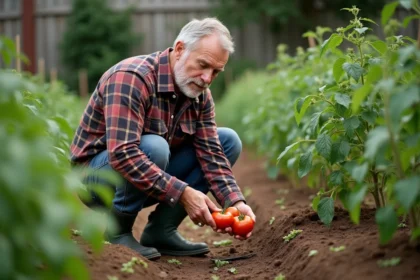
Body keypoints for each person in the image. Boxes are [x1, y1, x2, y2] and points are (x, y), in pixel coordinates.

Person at [70, 17, 256, 260]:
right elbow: (123, 154)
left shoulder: (200, 95)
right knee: (154, 146)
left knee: (228, 141)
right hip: (96, 181)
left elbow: (212, 153)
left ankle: (161, 231)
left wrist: (235, 202)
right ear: (179, 49)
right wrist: (183, 193)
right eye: (203, 65)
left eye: (216, 72)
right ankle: (118, 232)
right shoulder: (132, 77)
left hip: (145, 176)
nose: (207, 78)